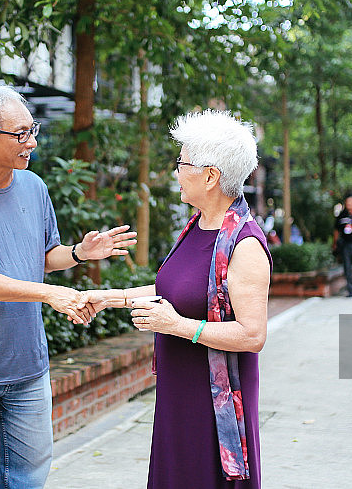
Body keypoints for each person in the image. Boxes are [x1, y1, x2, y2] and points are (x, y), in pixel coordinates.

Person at [0, 85, 137, 489]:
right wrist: (47, 293)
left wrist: (79, 252)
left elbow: (42, 255)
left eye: (32, 130)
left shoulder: (34, 188)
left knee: (28, 479)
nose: (32, 142)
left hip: (28, 367)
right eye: (20, 133)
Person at [86, 110, 270, 488]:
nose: (176, 172)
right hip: (179, 392)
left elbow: (253, 335)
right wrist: (108, 298)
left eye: (182, 163)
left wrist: (178, 327)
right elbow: (173, 291)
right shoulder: (198, 225)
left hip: (212, 401)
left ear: (210, 175)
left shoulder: (244, 243)